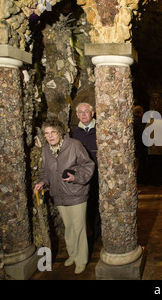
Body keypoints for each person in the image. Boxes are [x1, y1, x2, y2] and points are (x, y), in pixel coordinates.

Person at [34, 118, 95, 274]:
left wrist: (76, 178)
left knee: (79, 227)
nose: (50, 136)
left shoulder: (74, 145)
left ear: (60, 132)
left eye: (53, 132)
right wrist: (42, 182)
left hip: (76, 193)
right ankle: (73, 255)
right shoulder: (46, 150)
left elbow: (88, 165)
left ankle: (81, 260)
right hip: (59, 195)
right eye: (46, 134)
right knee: (68, 227)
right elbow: (46, 172)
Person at [71, 102, 100, 239]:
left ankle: (100, 230)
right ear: (77, 115)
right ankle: (91, 232)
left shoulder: (101, 129)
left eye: (86, 111)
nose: (83, 114)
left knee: (100, 201)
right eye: (80, 112)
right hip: (83, 176)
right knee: (87, 203)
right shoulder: (74, 134)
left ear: (92, 113)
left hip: (100, 173)